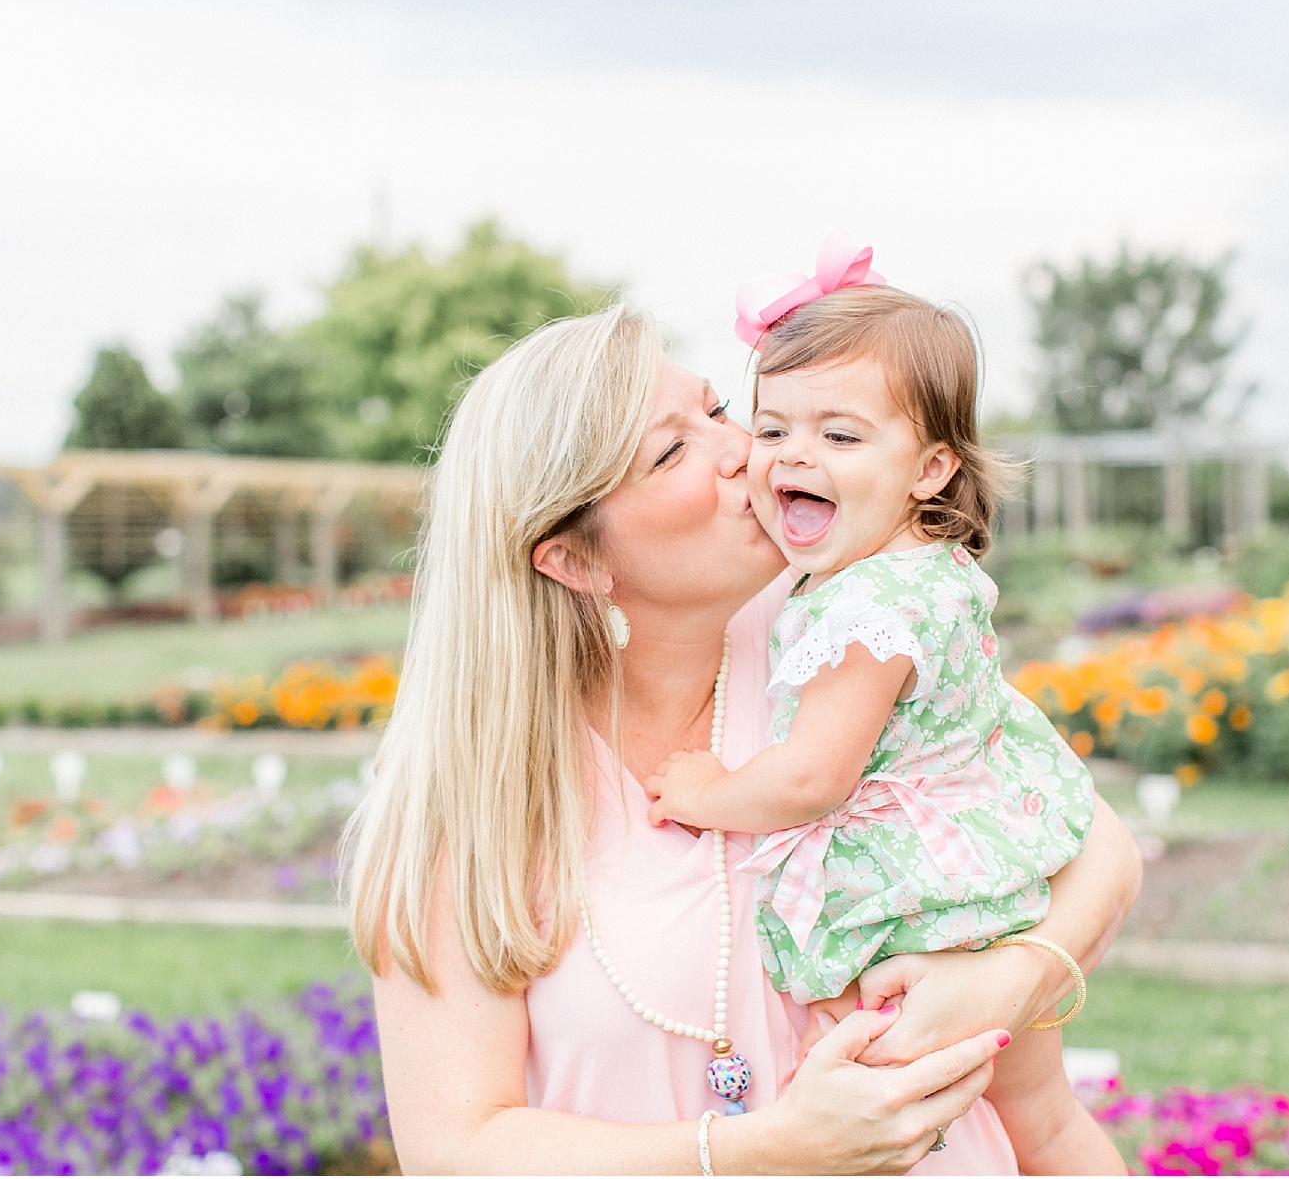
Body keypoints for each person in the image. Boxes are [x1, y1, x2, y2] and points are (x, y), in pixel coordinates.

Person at [344, 303, 1144, 1173]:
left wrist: (1006, 984)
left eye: (720, 410)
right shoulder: (475, 799)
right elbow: (455, 1149)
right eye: (672, 449)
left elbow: (1098, 843)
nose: (746, 451)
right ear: (575, 559)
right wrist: (772, 1147)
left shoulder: (839, 637)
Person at [643, 237, 1124, 1173]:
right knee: (1045, 1122)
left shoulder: (865, 607)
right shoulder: (909, 570)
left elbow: (816, 775)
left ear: (932, 469)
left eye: (840, 435)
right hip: (988, 872)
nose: (787, 457)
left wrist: (705, 790)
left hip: (927, 904)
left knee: (904, 1100)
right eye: (773, 428)